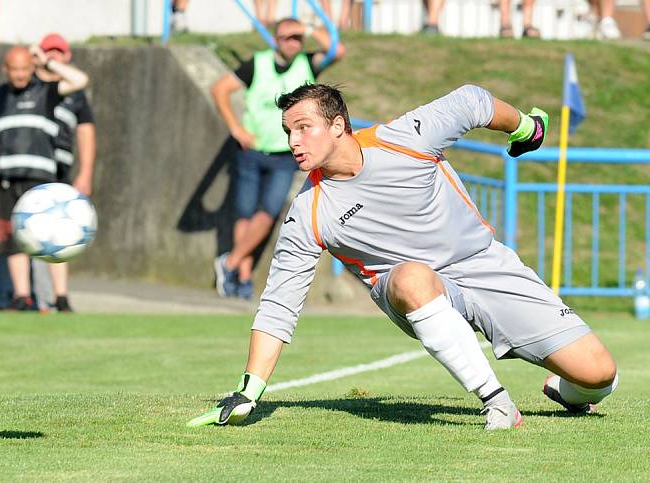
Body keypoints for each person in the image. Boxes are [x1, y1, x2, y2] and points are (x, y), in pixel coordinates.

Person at [189, 83, 618, 430]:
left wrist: (525, 126)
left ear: (338, 125)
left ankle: (566, 390)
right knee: (413, 276)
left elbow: (472, 101)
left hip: (484, 264)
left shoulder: (404, 138)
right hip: (408, 288)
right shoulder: (308, 212)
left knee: (599, 374)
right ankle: (497, 403)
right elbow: (280, 303)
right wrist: (249, 390)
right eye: (288, 132)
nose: (292, 141)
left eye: (303, 127)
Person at [211, 18, 345, 299]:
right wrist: (235, 127)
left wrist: (307, 29)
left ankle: (230, 263)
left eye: (297, 38)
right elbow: (219, 89)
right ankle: (242, 278)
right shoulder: (257, 64)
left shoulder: (308, 63)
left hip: (286, 155)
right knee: (245, 215)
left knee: (267, 214)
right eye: (287, 37)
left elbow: (337, 50)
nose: (293, 43)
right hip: (251, 151)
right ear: (276, 39)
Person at [0, 46, 88, 311]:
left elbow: (80, 80)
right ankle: (22, 296)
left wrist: (49, 63)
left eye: (24, 69)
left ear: (32, 68)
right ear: (6, 70)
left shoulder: (46, 91)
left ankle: (61, 297)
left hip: (42, 181)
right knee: (14, 238)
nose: (20, 75)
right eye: (15, 70)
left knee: (55, 235)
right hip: (7, 179)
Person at [32, 32, 97, 313]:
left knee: (61, 233)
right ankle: (33, 297)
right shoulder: (31, 86)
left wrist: (86, 173)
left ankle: (60, 296)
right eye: (49, 51)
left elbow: (86, 134)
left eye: (59, 52)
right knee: (31, 231)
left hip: (60, 171)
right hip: (32, 168)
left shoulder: (74, 92)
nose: (54, 56)